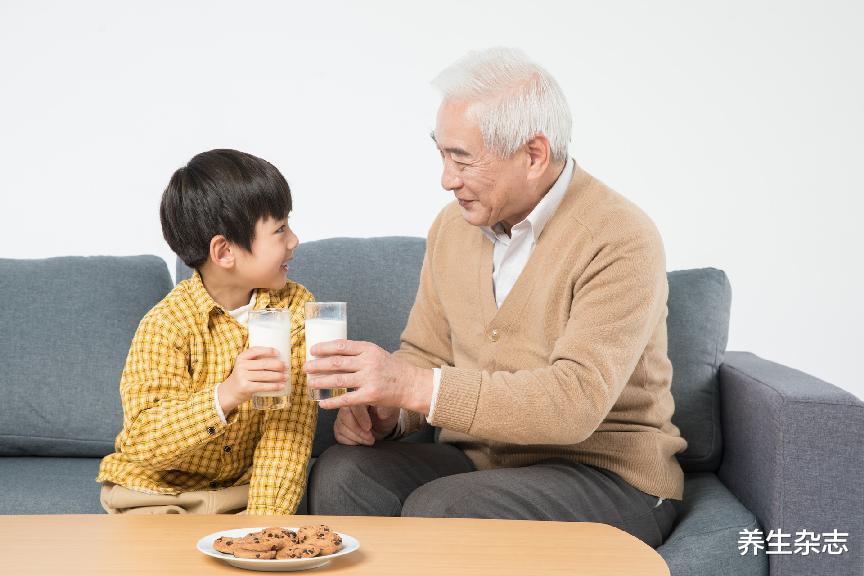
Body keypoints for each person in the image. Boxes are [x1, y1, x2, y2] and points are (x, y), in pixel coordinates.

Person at [305, 48, 687, 548]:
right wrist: (389, 411)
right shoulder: (453, 227)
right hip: (481, 462)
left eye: (461, 158)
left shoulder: (618, 237)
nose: (446, 179)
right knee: (344, 473)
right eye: (441, 153)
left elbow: (573, 404)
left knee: (444, 510)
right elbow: (427, 354)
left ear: (533, 154)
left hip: (607, 475)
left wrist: (412, 385)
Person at [97, 149, 316, 515]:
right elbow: (144, 442)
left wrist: (263, 528)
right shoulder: (166, 324)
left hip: (238, 495)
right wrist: (227, 394)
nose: (293, 240)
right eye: (280, 229)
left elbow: (286, 437)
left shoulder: (294, 309)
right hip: (154, 492)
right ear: (224, 251)